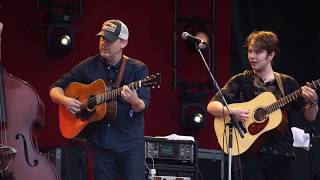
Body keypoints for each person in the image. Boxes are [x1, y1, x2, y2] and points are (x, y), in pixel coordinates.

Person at [207, 31, 318, 180]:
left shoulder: (287, 83)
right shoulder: (240, 80)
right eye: (250, 51)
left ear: (271, 55)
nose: (252, 56)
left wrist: (313, 102)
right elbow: (212, 106)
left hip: (282, 155)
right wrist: (232, 112)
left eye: (258, 52)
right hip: (250, 155)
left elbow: (310, 117)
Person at [50, 19, 150, 180]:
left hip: (129, 145)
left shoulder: (137, 69)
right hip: (100, 145)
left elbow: (142, 106)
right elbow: (55, 88)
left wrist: (134, 101)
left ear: (123, 42)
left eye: (110, 40)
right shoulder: (89, 65)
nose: (104, 43)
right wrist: (66, 101)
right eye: (102, 38)